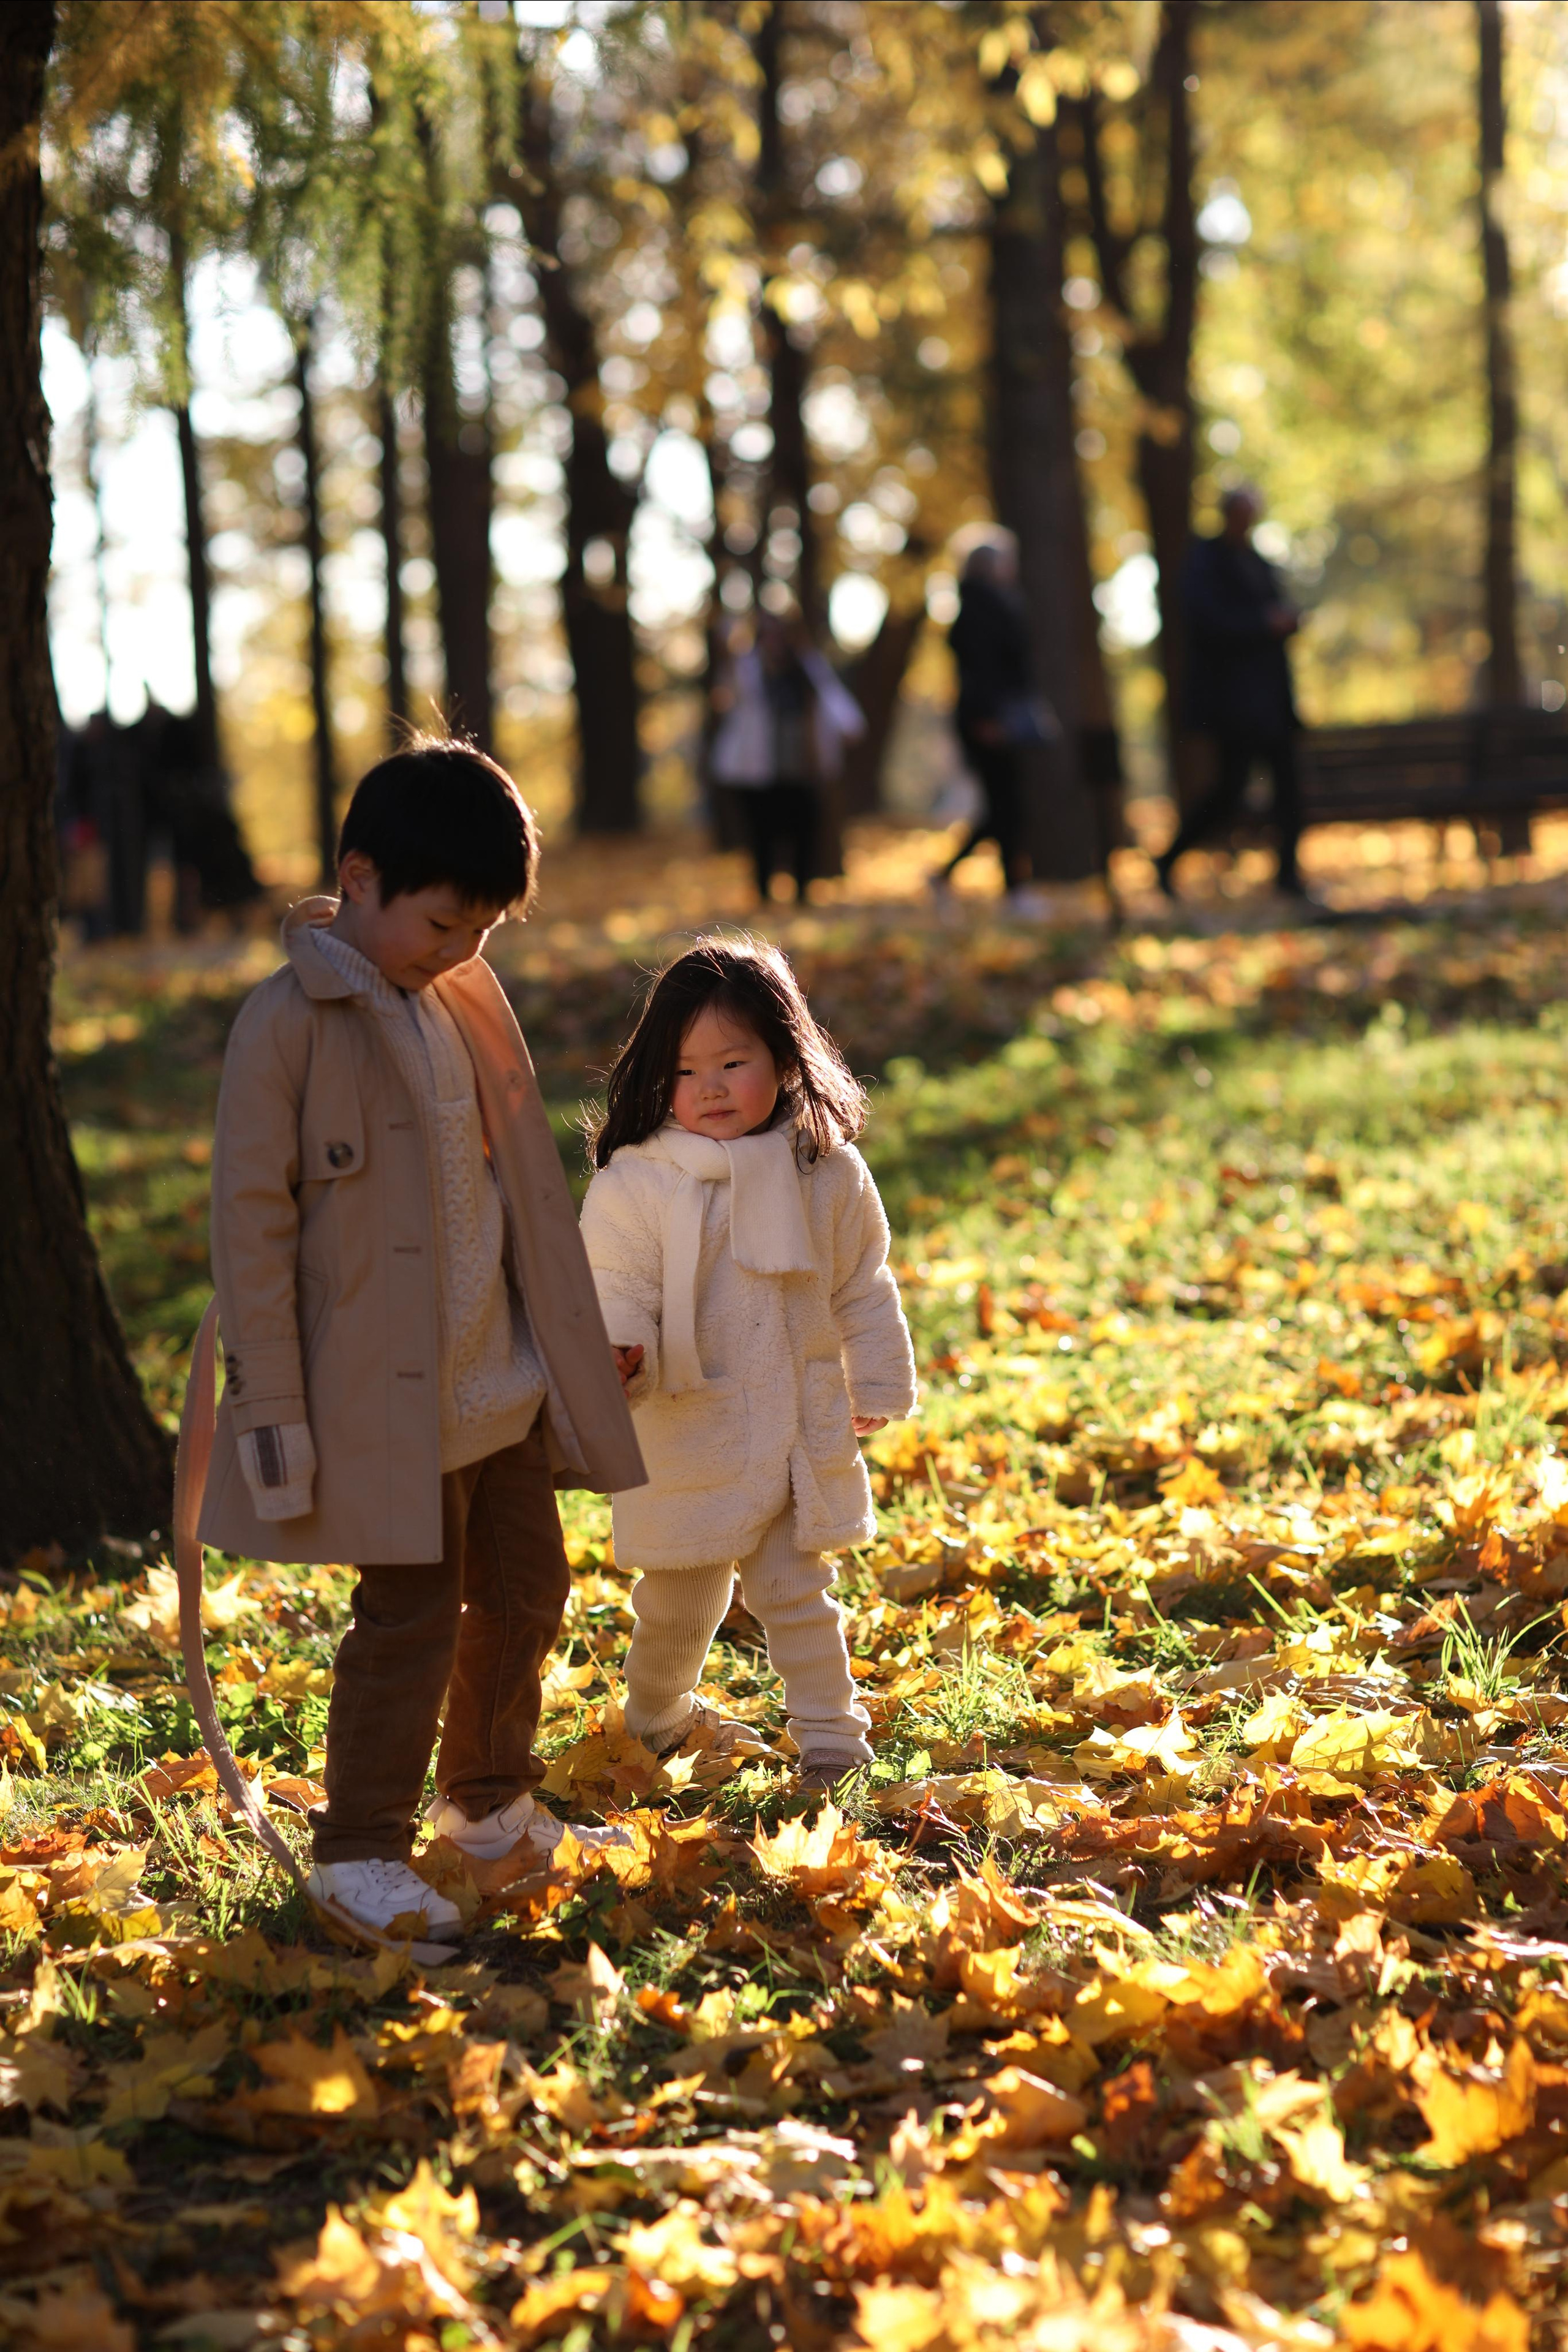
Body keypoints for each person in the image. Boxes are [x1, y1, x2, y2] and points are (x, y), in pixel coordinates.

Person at [195, 739, 646, 1942]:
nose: (461, 952)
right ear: (359, 877)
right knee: (406, 1621)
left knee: (525, 1590)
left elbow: (515, 1202)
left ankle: (489, 1806)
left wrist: (563, 1341)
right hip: (380, 1401)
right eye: (443, 924)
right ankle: (356, 1851)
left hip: (490, 1378)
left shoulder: (462, 1004)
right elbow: (250, 1231)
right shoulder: (285, 1026)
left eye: (484, 931)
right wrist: (271, 1407)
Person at [579, 937, 916, 1793]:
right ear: (657, 1078)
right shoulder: (637, 1183)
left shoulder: (825, 1173)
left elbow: (862, 1283)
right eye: (688, 1072)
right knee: (676, 1603)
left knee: (796, 1588)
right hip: (687, 1423)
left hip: (797, 1422)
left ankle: (833, 1740)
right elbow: (611, 1281)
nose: (713, 1088)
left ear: (785, 1055)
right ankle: (655, 1720)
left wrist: (875, 1379)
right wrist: (619, 1349)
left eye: (735, 1061)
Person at [1156, 486, 1306, 901]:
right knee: (1230, 789)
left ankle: (1289, 878)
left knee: (1289, 787)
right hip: (1235, 703)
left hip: (1271, 700)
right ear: (1228, 515)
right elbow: (1207, 623)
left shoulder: (1256, 560)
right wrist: (1262, 624)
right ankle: (1169, 860)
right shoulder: (1206, 560)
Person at [709, 612, 865, 903]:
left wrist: (850, 725)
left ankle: (802, 891)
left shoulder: (806, 665)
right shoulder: (747, 667)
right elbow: (725, 697)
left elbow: (831, 695)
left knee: (803, 829)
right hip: (758, 769)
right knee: (762, 832)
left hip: (802, 765)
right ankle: (764, 892)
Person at [935, 534, 1047, 902]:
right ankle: (1015, 890)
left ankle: (949, 876)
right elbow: (981, 670)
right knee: (1007, 805)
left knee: (1004, 805)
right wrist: (986, 719)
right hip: (989, 720)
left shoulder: (991, 605)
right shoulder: (981, 610)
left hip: (997, 717)